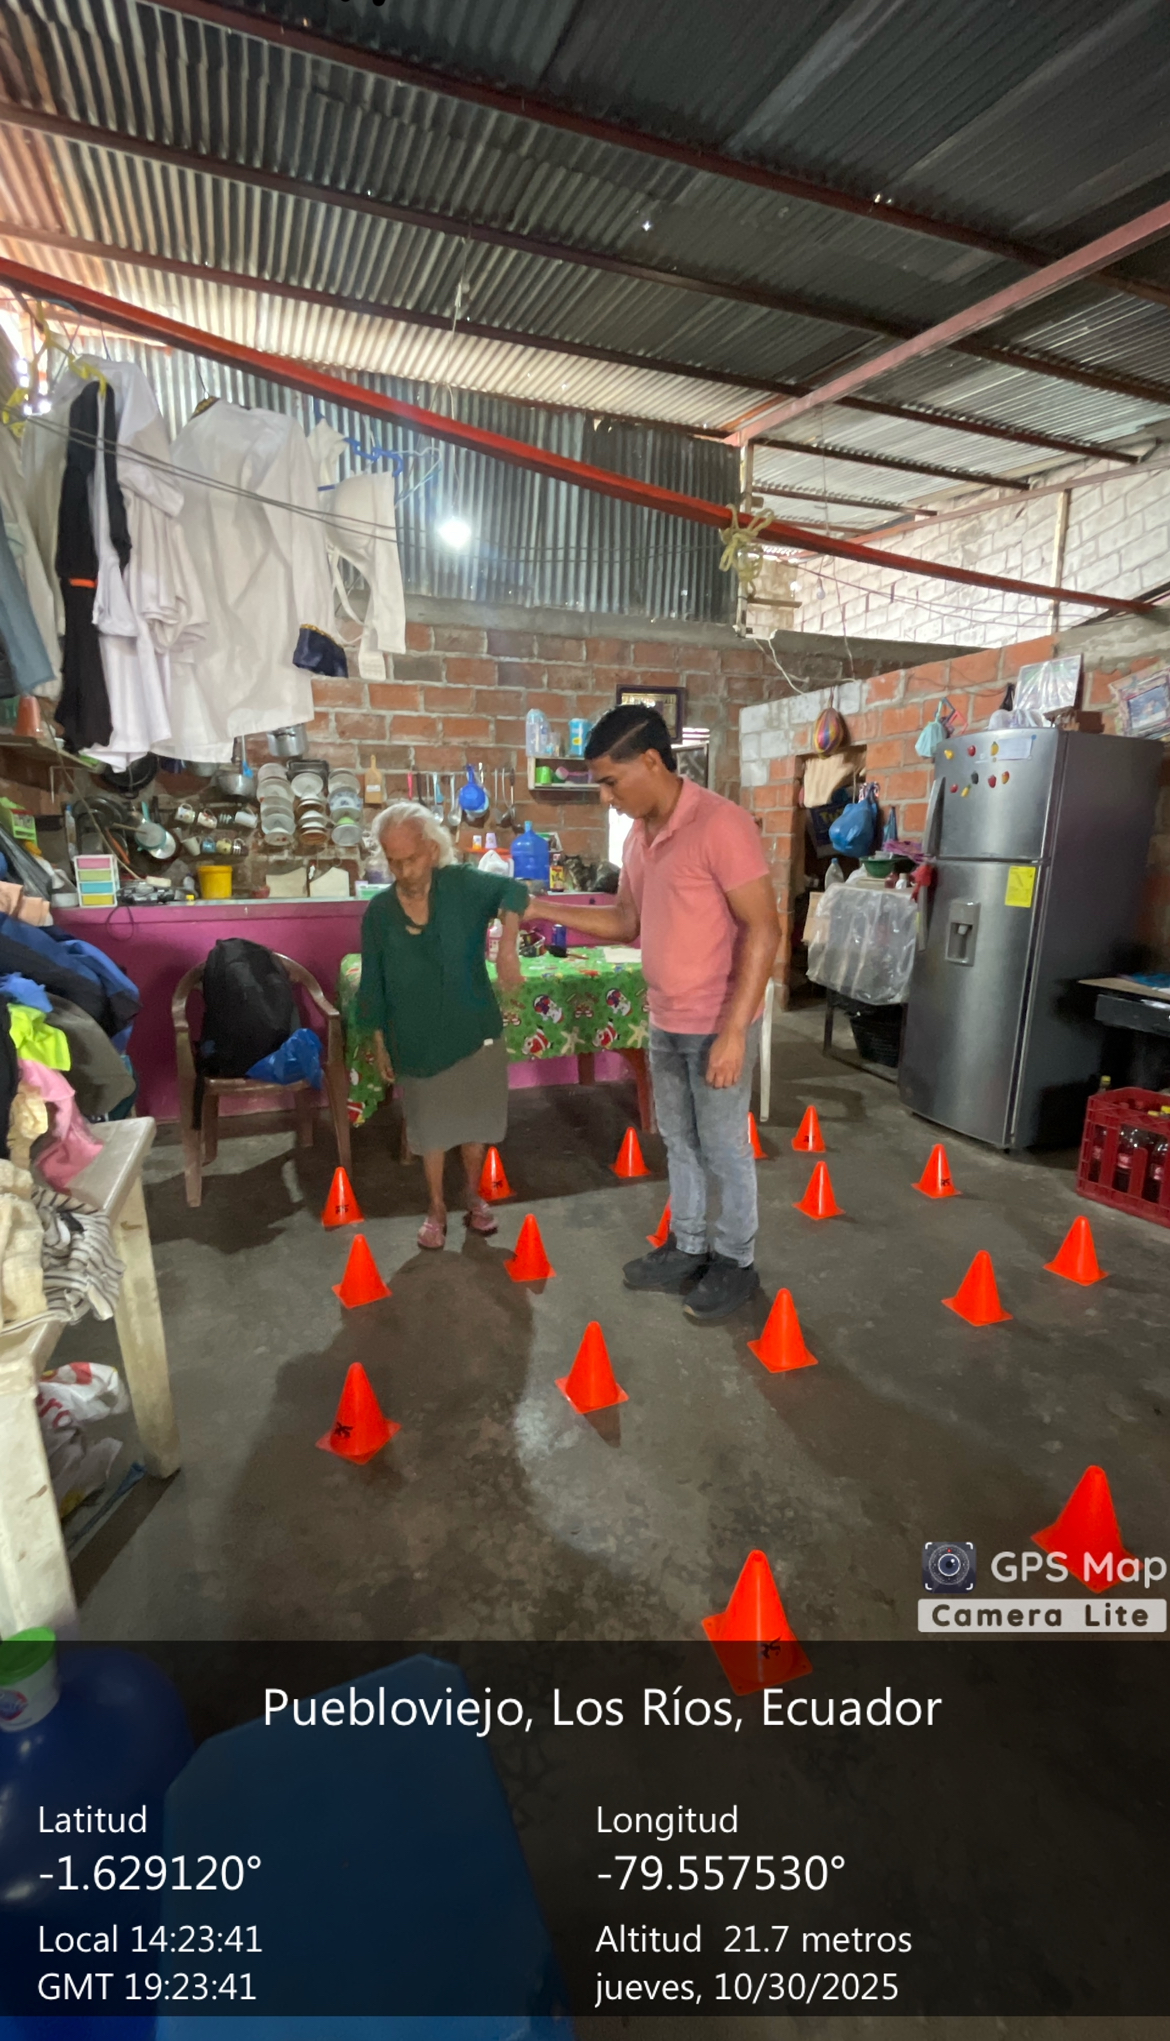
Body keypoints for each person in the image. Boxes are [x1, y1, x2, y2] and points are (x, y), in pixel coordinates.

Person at [525, 704, 779, 1321]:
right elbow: (625, 922)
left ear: (650, 761)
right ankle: (688, 1246)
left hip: (716, 1023)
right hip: (664, 1019)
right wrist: (540, 908)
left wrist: (734, 1033)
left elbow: (764, 929)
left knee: (724, 1147)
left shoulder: (721, 825)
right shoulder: (638, 839)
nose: (606, 798)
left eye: (611, 782)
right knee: (680, 1142)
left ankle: (736, 1260)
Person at [356, 801, 527, 1249]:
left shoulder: (463, 887)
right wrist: (379, 1040)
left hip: (473, 1027)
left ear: (432, 850)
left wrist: (508, 948)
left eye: (410, 859)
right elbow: (372, 982)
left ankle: (473, 1196)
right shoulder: (379, 912)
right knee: (430, 1130)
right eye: (393, 861)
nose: (402, 871)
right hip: (414, 1035)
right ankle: (435, 1208)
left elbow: (514, 892)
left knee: (475, 1126)